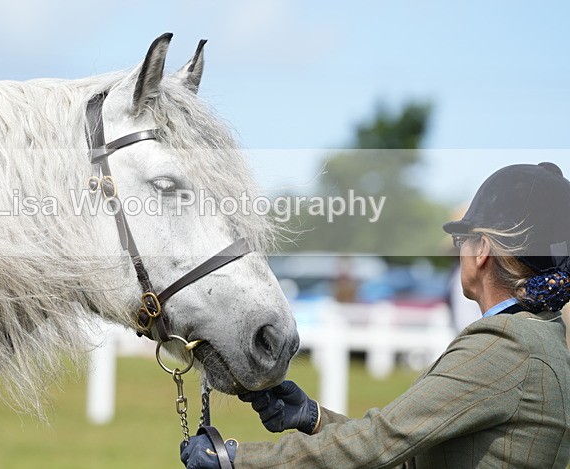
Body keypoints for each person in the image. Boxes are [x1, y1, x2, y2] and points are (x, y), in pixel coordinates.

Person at [181, 162, 570, 468]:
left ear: (482, 250)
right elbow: (405, 452)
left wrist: (240, 460)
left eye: (460, 241)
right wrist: (313, 418)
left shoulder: (507, 346)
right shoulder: (536, 336)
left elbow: (382, 442)